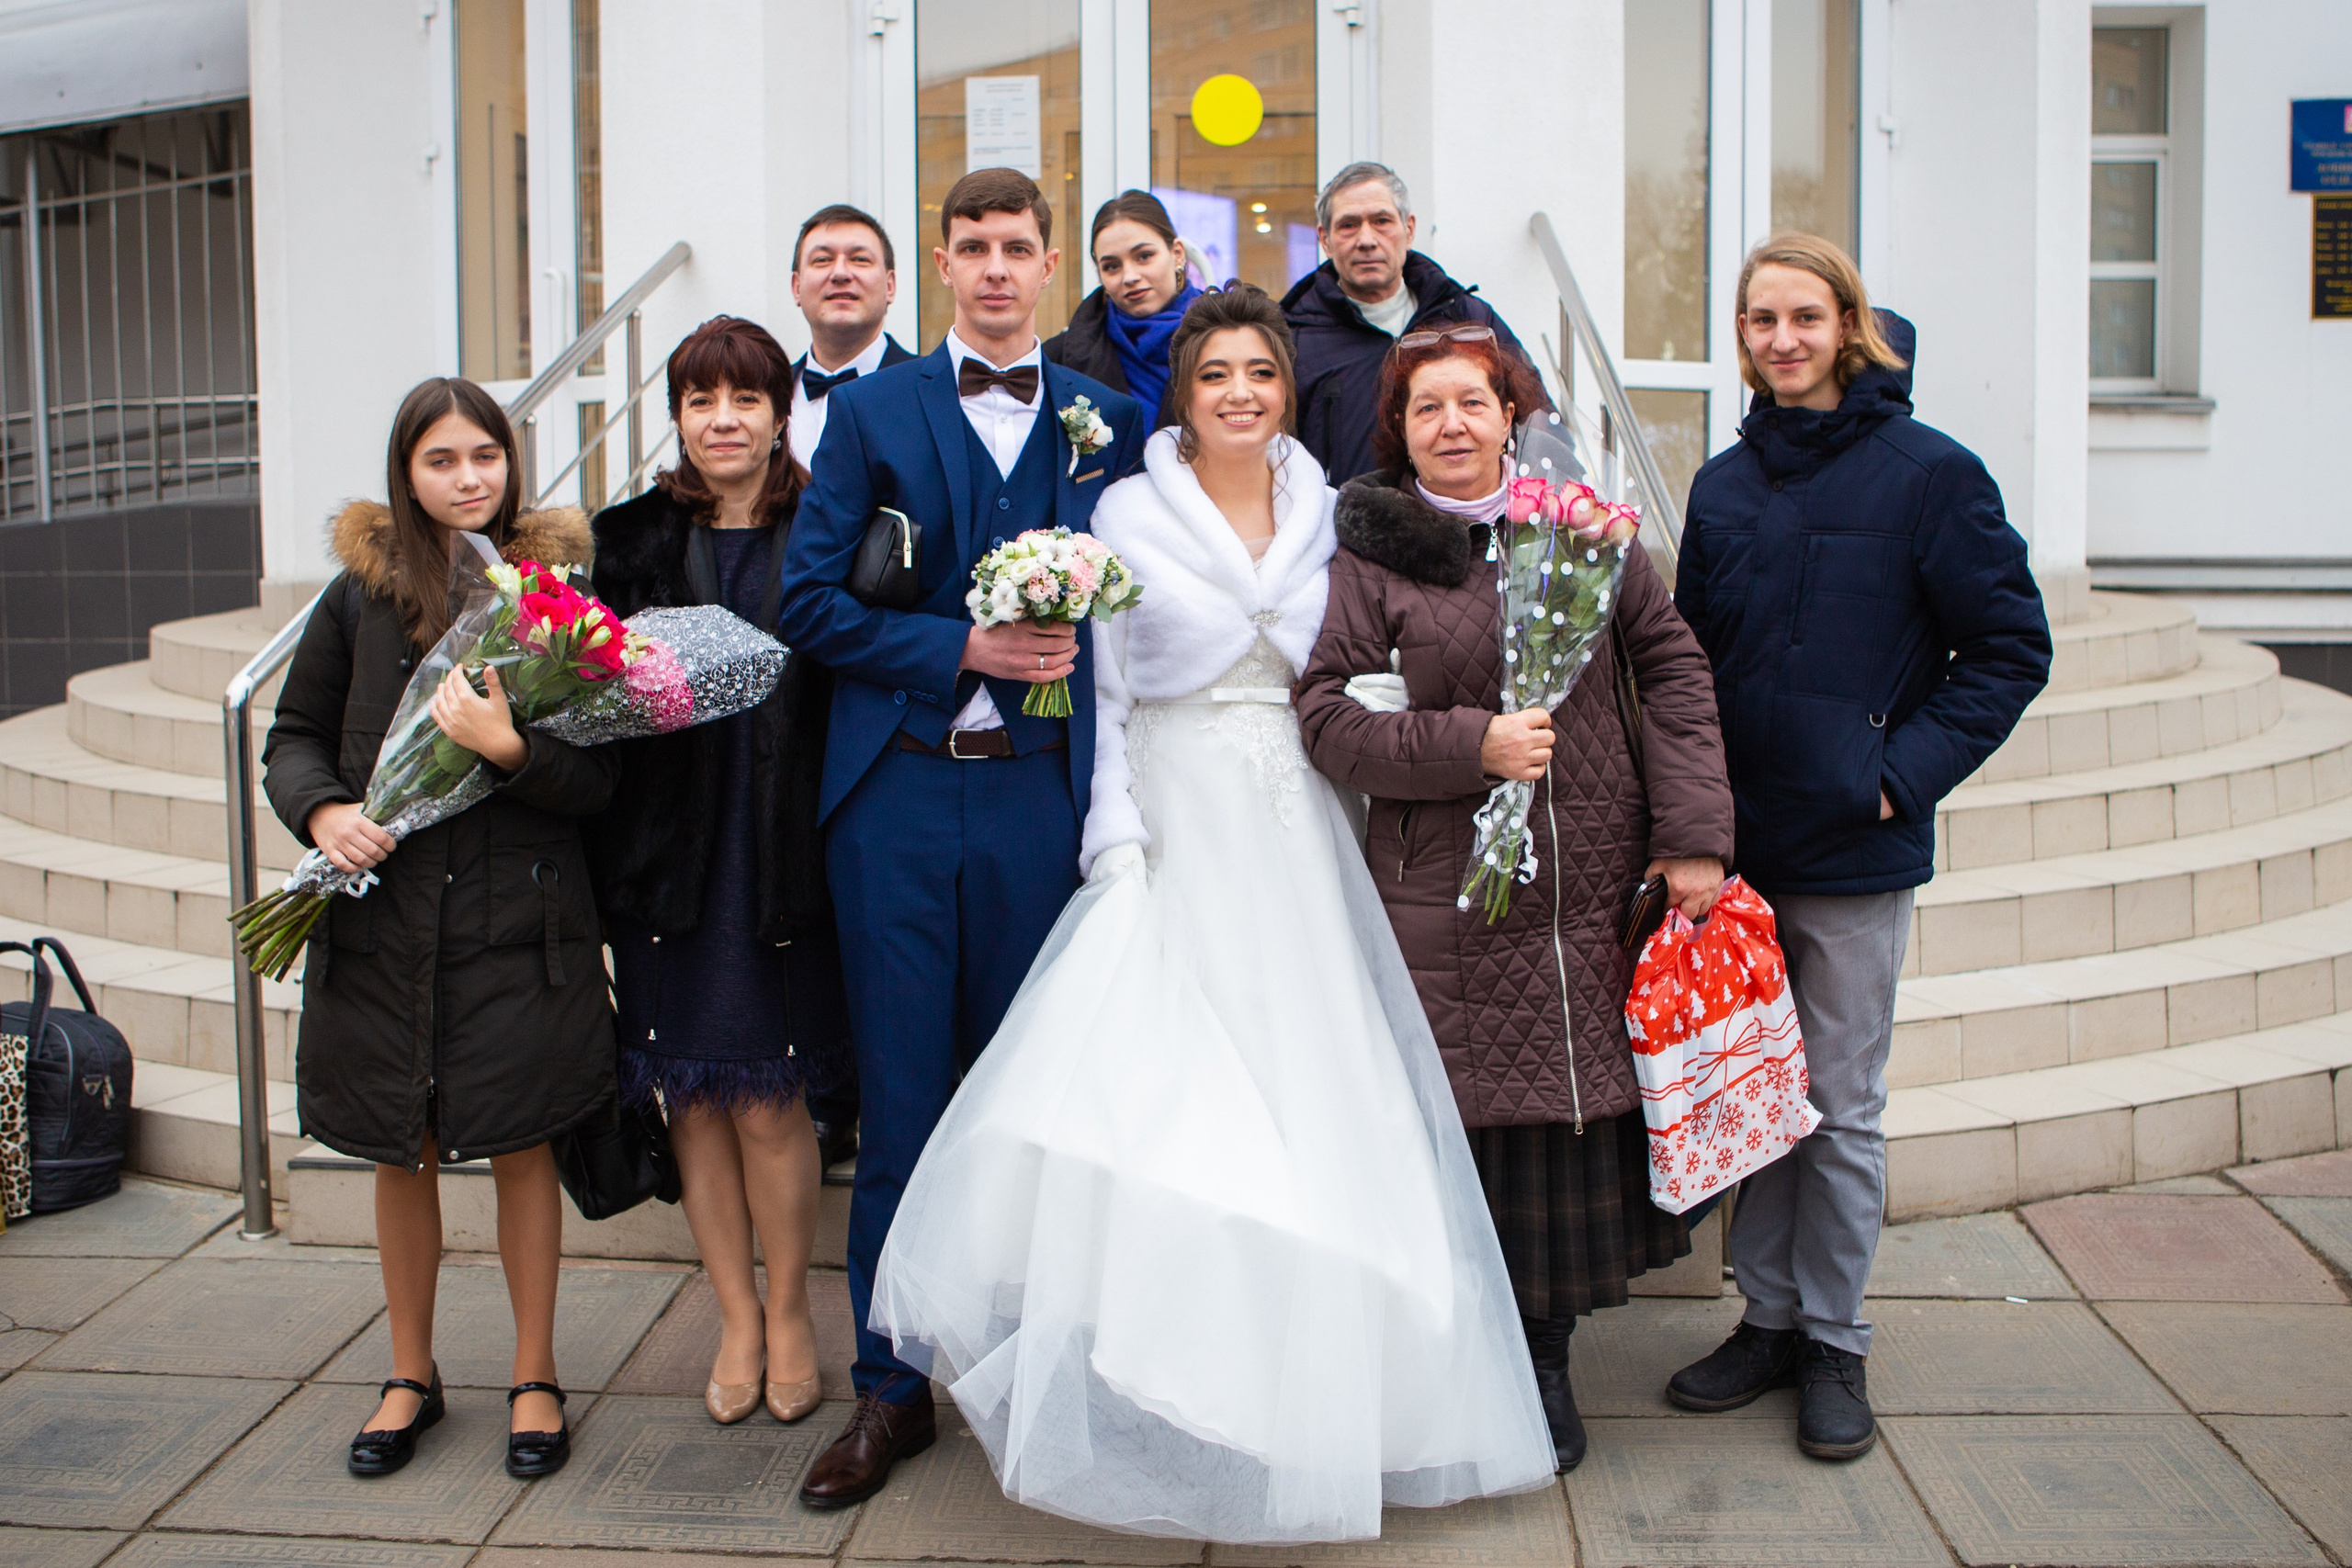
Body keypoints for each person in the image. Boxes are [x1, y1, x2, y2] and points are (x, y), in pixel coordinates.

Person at [870, 286, 1555, 1542]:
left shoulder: (1336, 508)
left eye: (1261, 373)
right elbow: (1111, 702)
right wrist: (1116, 838)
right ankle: (1180, 1381)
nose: (1241, 392)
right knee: (1175, 1088)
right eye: (1216, 375)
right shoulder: (1124, 509)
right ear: (1181, 394)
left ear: (1287, 388)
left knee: (1319, 1085)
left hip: (1304, 821)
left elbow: (1364, 661)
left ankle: (1336, 1392)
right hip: (1180, 815)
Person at [1295, 328, 1735, 1473]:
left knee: (1562, 1125)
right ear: (1400, 431)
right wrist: (1469, 746)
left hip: (1587, 883)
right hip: (1443, 895)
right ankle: (1465, 1356)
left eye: (1471, 403)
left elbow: (1676, 668)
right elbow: (1327, 717)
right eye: (1425, 407)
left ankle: (1543, 1355)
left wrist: (1692, 838)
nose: (1450, 424)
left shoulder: (1578, 529)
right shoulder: (1375, 556)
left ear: (1508, 415)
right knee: (1472, 1129)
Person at [776, 166, 1146, 1509]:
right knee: (902, 1098)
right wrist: (960, 644)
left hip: (1048, 797)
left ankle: (1037, 1368)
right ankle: (890, 1389)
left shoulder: (1115, 420)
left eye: (1018, 248)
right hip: (902, 799)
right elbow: (807, 600)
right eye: (973, 247)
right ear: (941, 265)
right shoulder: (874, 410)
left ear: (1052, 266)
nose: (996, 269)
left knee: (1043, 1101)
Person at [1662, 234, 2050, 1461]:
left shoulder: (1931, 475)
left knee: (1839, 1103)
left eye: (1803, 317)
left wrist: (1897, 778)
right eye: (1759, 318)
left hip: (1850, 845)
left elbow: (2007, 649)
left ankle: (1833, 1333)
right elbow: (1686, 667)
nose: (1781, 338)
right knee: (1758, 1096)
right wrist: (1687, 819)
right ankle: (1763, 1318)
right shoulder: (1724, 485)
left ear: (1849, 325)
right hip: (1735, 850)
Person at [262, 378, 616, 1481]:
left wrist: (508, 749)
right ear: (404, 476)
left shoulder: (558, 598)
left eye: (485, 457)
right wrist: (325, 811)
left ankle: (533, 1373)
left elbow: (603, 781)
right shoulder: (358, 598)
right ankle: (409, 1372)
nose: (469, 478)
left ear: (513, 463)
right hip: (387, 920)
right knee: (397, 1148)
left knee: (522, 1145)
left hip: (520, 924)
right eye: (441, 461)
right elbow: (294, 734)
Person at [586, 315, 849, 1428]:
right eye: (700, 401)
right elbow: (590, 699)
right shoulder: (629, 536)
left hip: (785, 852)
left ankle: (789, 1312)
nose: (723, 421)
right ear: (678, 417)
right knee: (690, 1099)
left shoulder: (828, 519)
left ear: (781, 410)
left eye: (744, 399)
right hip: (668, 857)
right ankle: (731, 1315)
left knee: (770, 1103)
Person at [1282, 162, 1544, 485]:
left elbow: (1538, 423)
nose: (1366, 239)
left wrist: (1545, 519)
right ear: (1325, 239)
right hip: (1345, 531)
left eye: (1381, 221)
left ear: (1409, 229)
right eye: (1349, 225)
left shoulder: (1468, 319)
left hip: (1463, 529)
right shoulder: (1294, 337)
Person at [786, 202, 916, 498]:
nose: (841, 273)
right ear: (796, 286)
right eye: (822, 260)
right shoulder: (768, 397)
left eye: (859, 259)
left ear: (890, 286)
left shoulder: (936, 391)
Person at [1043, 189, 1203, 425]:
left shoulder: (1231, 336)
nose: (1129, 276)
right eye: (1111, 266)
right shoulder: (1059, 360)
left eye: (1144, 256)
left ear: (1177, 254)